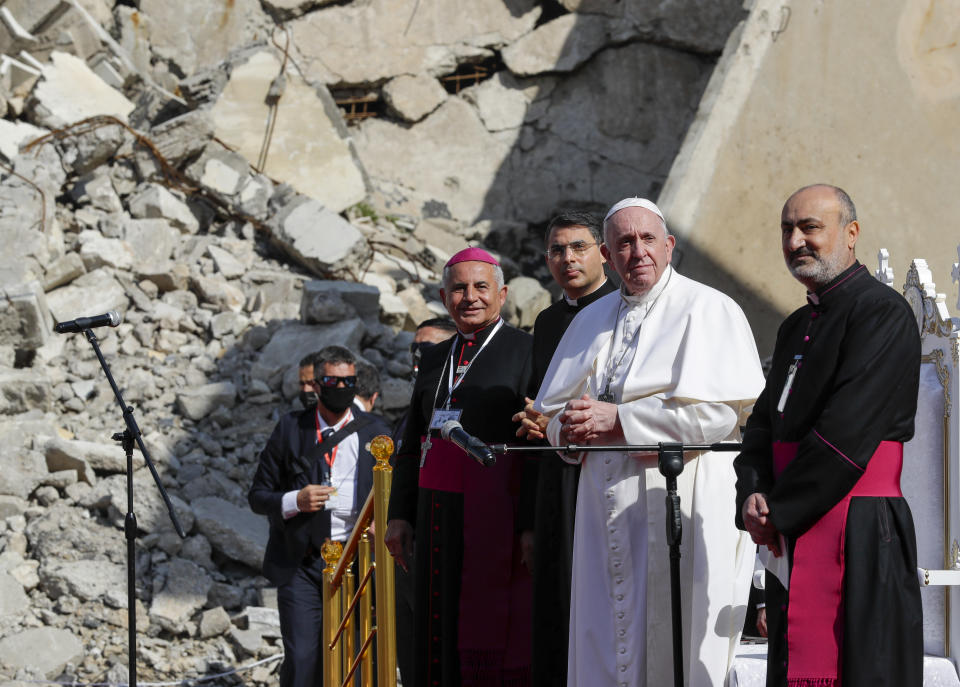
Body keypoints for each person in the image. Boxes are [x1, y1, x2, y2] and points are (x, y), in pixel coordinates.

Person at [534, 197, 764, 687]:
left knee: (678, 637)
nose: (638, 251)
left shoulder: (710, 308)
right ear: (608, 255)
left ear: (669, 245)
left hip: (682, 496)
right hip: (602, 506)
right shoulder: (587, 321)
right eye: (624, 242)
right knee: (604, 631)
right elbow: (549, 413)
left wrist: (619, 420)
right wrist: (568, 430)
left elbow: (720, 416)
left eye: (647, 239)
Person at [734, 184, 923, 687]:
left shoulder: (882, 313)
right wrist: (751, 490)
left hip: (858, 526)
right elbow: (761, 424)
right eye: (787, 229)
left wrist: (780, 509)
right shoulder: (796, 324)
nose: (796, 240)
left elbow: (847, 433)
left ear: (851, 233)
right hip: (794, 517)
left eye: (810, 227)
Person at [385, 247, 534, 686]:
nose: (470, 297)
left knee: (486, 621)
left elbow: (534, 444)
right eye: (458, 288)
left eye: (480, 287)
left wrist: (528, 525)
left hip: (493, 516)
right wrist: (399, 514)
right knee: (435, 622)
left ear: (501, 293)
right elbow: (412, 443)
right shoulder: (435, 357)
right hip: (434, 511)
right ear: (443, 295)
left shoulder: (527, 351)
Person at [512, 210, 616, 687]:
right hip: (553, 477)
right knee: (556, 601)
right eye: (557, 249)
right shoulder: (549, 320)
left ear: (604, 253)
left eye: (578, 247)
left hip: (607, 471)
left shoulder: (623, 307)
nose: (567, 258)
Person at [248, 345, 390, 687]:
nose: (340, 388)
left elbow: (396, 491)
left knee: (356, 656)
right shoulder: (290, 429)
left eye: (348, 381)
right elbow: (258, 496)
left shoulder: (376, 432)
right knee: (303, 659)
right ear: (316, 384)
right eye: (331, 381)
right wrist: (295, 500)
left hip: (357, 560)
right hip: (303, 563)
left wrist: (381, 521)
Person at [393, 315, 458, 687]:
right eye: (414, 350)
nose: (419, 358)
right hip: (411, 545)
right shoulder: (412, 409)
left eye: (428, 349)